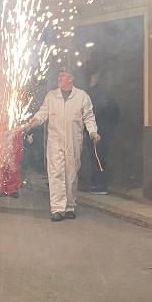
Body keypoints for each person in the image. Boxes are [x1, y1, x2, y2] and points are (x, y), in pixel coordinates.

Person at [25, 68, 98, 221]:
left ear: (71, 78)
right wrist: (34, 121)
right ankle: (57, 209)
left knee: (71, 175)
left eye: (63, 76)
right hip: (55, 142)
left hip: (73, 142)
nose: (59, 78)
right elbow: (42, 113)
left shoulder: (82, 96)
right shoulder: (51, 96)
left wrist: (93, 131)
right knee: (56, 174)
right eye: (59, 75)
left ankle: (70, 207)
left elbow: (89, 116)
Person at [84, 71, 118, 195]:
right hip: (105, 131)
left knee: (96, 158)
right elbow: (115, 114)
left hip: (96, 132)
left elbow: (90, 114)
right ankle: (99, 183)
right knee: (100, 157)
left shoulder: (93, 95)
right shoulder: (107, 94)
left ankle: (99, 184)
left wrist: (90, 130)